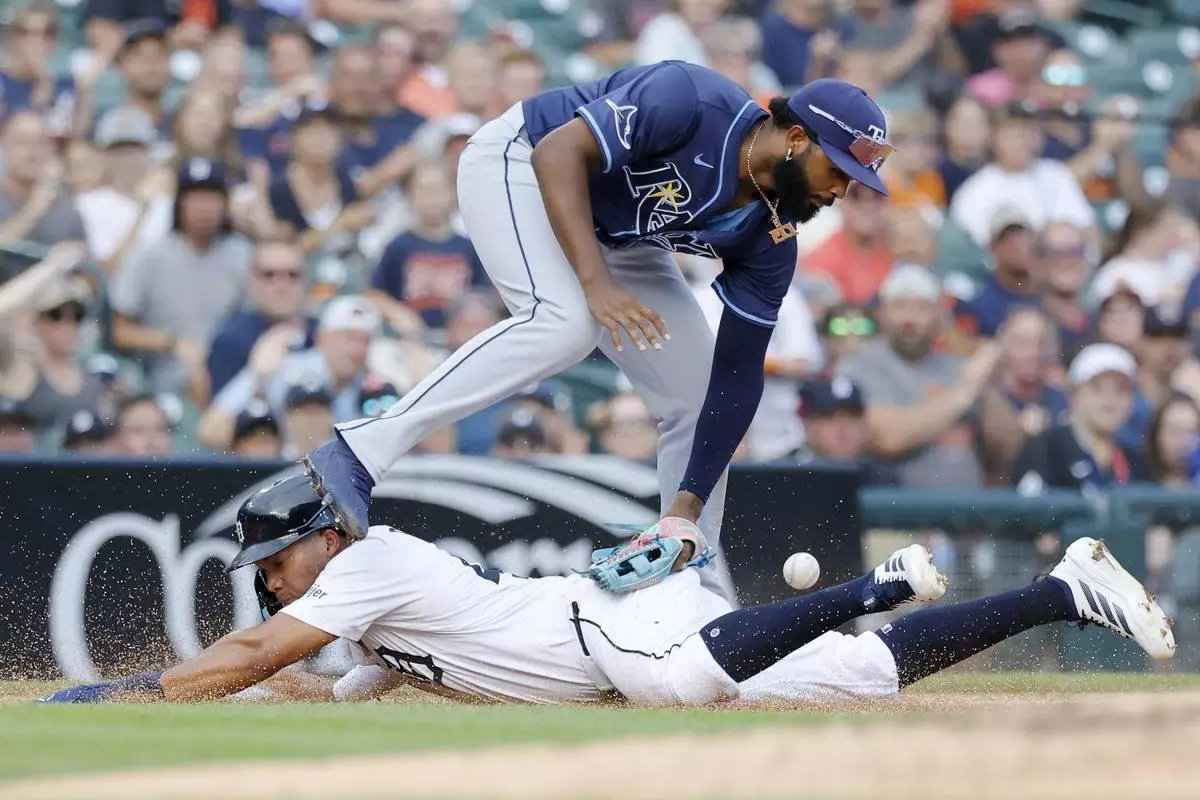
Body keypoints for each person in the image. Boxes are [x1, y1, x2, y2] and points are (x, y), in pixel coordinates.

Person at [303, 66, 895, 599]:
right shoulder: (692, 101)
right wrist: (595, 283)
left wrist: (684, 508)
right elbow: (559, 152)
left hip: (622, 238)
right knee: (566, 323)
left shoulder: (772, 236)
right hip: (522, 163)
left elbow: (738, 377)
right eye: (838, 169)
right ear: (797, 139)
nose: (841, 191)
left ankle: (693, 586)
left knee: (696, 395)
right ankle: (359, 451)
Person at [39, 474, 1174, 706]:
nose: (271, 580)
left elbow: (252, 656)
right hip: (611, 626)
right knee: (865, 680)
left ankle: (875, 580)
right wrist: (333, 690)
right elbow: (312, 681)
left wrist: (125, 693)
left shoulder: (365, 560)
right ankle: (1059, 591)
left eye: (275, 561)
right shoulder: (370, 604)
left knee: (679, 689)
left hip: (603, 628)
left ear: (321, 538)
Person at [837, 264, 994, 489]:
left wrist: (991, 378)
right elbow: (888, 437)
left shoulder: (957, 366)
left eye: (922, 308)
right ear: (881, 314)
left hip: (972, 506)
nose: (909, 318)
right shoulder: (859, 365)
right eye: (899, 306)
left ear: (939, 316)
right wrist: (966, 392)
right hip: (898, 505)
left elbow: (1006, 446)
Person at [110, 157, 253, 398]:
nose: (205, 206)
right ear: (179, 203)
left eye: (213, 197)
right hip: (164, 378)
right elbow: (120, 331)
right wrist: (172, 343)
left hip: (231, 373)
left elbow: (257, 319)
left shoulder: (243, 254)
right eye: (195, 197)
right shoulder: (149, 254)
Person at [200, 295, 380, 450]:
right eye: (348, 338)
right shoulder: (284, 369)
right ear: (321, 337)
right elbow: (210, 431)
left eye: (364, 341)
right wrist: (259, 381)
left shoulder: (373, 385)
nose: (357, 350)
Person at [950, 102, 1095, 248]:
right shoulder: (974, 191)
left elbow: (1091, 234)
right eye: (1014, 132)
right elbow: (982, 251)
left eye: (1029, 130)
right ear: (993, 137)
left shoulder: (1057, 175)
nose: (1023, 140)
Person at [367, 161, 488, 331]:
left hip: (460, 338)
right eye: (423, 190)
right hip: (411, 338)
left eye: (437, 189)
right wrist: (397, 313)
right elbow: (374, 294)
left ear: (454, 193)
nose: (431, 197)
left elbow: (483, 296)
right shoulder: (398, 246)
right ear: (409, 195)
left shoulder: (469, 248)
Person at [1013, 343, 1146, 493]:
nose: (1110, 400)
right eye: (1097, 388)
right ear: (1073, 395)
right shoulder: (1047, 448)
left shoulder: (1136, 459)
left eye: (1121, 390)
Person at [206, 240, 317, 397]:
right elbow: (221, 410)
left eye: (293, 275)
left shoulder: (323, 335)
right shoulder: (230, 342)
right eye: (269, 275)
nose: (281, 285)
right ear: (252, 281)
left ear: (307, 281)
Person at [0, 111, 87, 269]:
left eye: (40, 143)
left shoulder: (65, 209)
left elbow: (90, 274)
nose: (32, 152)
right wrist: (34, 209)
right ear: (4, 146)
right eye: (22, 143)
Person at [953, 205, 1041, 339]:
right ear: (992, 248)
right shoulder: (980, 305)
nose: (1017, 245)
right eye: (1006, 239)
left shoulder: (1051, 293)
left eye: (1022, 236)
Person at [802, 181, 893, 305]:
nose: (867, 205)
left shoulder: (902, 250)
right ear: (841, 203)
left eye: (877, 195)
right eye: (855, 195)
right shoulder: (822, 260)